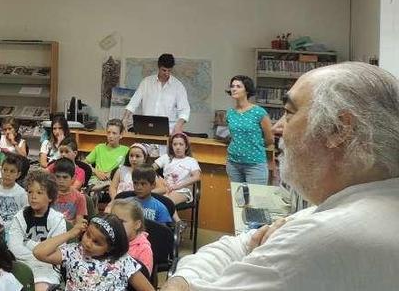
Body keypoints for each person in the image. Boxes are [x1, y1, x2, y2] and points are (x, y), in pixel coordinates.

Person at [162, 62, 399, 291]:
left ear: (338, 129)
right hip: (235, 160)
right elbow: (241, 243)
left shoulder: (317, 239)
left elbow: (194, 282)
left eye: (289, 113)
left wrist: (181, 278)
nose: (278, 128)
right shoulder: (359, 207)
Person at [32, 215, 154, 291]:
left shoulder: (123, 261)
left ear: (110, 248)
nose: (88, 243)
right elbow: (39, 252)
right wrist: (70, 234)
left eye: (96, 242)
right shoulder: (73, 252)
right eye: (88, 235)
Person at [7, 169, 66, 291]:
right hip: (21, 265)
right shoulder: (19, 217)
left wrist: (27, 243)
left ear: (50, 197)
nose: (33, 197)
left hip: (47, 270)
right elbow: (14, 248)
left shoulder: (57, 219)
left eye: (39, 193)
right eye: (30, 192)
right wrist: (42, 253)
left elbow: (57, 252)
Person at [123, 53, 190, 134]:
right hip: (145, 128)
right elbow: (133, 102)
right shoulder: (146, 82)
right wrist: (125, 119)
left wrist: (178, 126)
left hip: (169, 131)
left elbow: (185, 110)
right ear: (158, 67)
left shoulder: (178, 86)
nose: (167, 73)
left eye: (169, 70)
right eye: (164, 70)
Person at [225, 75, 274, 184]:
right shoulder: (230, 113)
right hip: (233, 163)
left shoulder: (259, 112)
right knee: (237, 198)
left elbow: (270, 139)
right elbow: (234, 136)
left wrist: (253, 147)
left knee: (255, 199)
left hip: (255, 164)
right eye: (232, 86)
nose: (234, 89)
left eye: (238, 86)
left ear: (246, 90)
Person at [154, 133, 201, 206]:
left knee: (164, 202)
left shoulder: (191, 160)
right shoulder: (166, 157)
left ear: (186, 146)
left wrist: (178, 186)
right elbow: (149, 169)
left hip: (182, 190)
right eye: (175, 144)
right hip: (165, 189)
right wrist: (161, 180)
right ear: (171, 146)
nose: (178, 147)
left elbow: (197, 177)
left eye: (181, 144)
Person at [111, 198, 153, 276]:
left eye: (121, 221)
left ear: (137, 225)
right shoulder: (109, 239)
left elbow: (144, 278)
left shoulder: (143, 249)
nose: (115, 224)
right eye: (113, 220)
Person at [86, 120, 129, 193]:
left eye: (114, 133)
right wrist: (97, 172)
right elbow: (84, 163)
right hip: (96, 179)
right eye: (108, 132)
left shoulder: (126, 150)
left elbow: (127, 168)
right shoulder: (99, 148)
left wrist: (112, 174)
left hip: (114, 180)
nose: (110, 136)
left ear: (121, 135)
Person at [0, 153, 29, 222]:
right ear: (1, 170)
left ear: (18, 174)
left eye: (12, 171)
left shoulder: (22, 193)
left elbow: (25, 214)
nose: (8, 174)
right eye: (5, 170)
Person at [52, 158, 87, 225]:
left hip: (70, 231)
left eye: (65, 177)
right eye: (58, 177)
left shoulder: (80, 197)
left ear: (73, 178)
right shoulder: (48, 194)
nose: (61, 181)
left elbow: (78, 224)